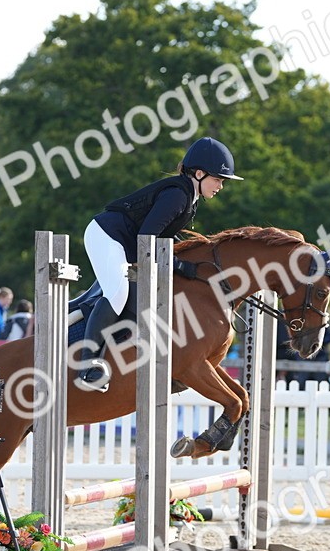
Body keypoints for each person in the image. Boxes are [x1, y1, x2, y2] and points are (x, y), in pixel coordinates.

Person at [74, 136, 242, 392]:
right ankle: (88, 364)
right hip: (107, 236)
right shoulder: (177, 195)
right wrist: (180, 265)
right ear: (198, 173)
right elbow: (147, 239)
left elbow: (163, 238)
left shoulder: (189, 198)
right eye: (218, 179)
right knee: (118, 294)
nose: (221, 186)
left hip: (124, 242)